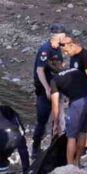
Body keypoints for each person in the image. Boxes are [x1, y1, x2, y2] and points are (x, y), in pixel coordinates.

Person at [49, 53, 87, 168]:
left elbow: (55, 104)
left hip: (79, 102)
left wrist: (56, 124)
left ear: (51, 71)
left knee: (71, 136)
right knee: (83, 132)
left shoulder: (54, 80)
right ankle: (77, 162)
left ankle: (70, 166)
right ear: (63, 64)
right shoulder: (75, 70)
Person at [32, 24, 66, 155]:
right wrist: (46, 88)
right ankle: (35, 147)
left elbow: (59, 66)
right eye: (63, 35)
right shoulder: (45, 49)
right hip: (44, 90)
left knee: (59, 118)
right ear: (58, 36)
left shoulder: (58, 49)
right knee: (43, 118)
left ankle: (55, 144)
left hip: (57, 87)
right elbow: (39, 70)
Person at [64, 36, 87, 155]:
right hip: (75, 94)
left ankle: (84, 149)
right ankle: (86, 147)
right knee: (79, 124)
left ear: (72, 45)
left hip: (84, 95)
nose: (66, 54)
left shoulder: (85, 56)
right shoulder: (73, 57)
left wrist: (81, 91)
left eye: (67, 51)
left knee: (79, 124)